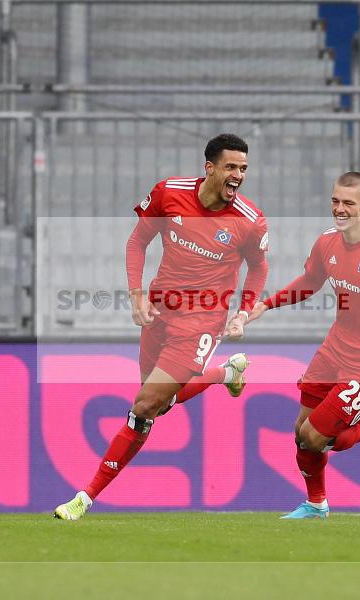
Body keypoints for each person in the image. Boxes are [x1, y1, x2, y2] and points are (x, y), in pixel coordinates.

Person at [54, 133, 269, 520]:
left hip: (203, 320)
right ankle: (225, 373)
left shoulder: (249, 221)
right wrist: (136, 294)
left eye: (243, 168)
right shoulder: (169, 193)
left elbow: (259, 266)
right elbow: (138, 241)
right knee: (158, 405)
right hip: (160, 311)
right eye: (231, 167)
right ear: (209, 168)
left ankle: (84, 498)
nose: (238, 175)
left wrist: (243, 311)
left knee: (144, 406)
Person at [247, 171, 360, 519]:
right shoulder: (327, 241)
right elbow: (310, 282)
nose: (339, 210)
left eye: (348, 204)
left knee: (316, 438)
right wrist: (266, 304)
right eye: (335, 201)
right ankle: (316, 504)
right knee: (301, 433)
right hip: (335, 349)